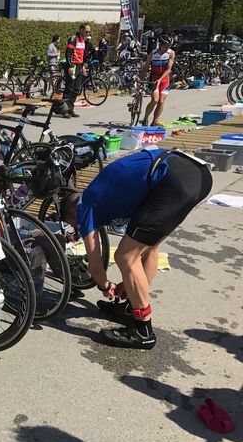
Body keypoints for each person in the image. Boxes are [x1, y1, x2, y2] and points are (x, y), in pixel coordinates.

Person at [62, 148, 212, 349]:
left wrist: (105, 286)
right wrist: (129, 284)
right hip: (198, 175)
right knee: (149, 247)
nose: (77, 230)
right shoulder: (107, 195)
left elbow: (95, 267)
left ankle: (143, 330)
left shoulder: (84, 205)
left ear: (72, 211)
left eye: (73, 225)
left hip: (172, 181)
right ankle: (131, 306)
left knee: (125, 256)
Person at [142, 34, 176, 126]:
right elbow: (145, 68)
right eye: (166, 46)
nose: (167, 48)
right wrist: (141, 80)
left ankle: (154, 121)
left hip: (165, 80)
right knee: (155, 100)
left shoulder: (171, 53)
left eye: (169, 46)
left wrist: (160, 79)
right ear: (160, 45)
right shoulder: (153, 53)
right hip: (154, 79)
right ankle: (145, 118)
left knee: (161, 101)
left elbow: (168, 69)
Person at [60, 23, 90, 118]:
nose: (88, 33)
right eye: (86, 31)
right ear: (81, 30)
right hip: (73, 66)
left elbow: (81, 55)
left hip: (79, 66)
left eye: (89, 32)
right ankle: (64, 110)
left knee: (77, 89)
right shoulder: (73, 38)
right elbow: (68, 53)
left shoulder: (83, 40)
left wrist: (83, 66)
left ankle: (70, 109)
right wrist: (70, 66)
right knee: (69, 88)